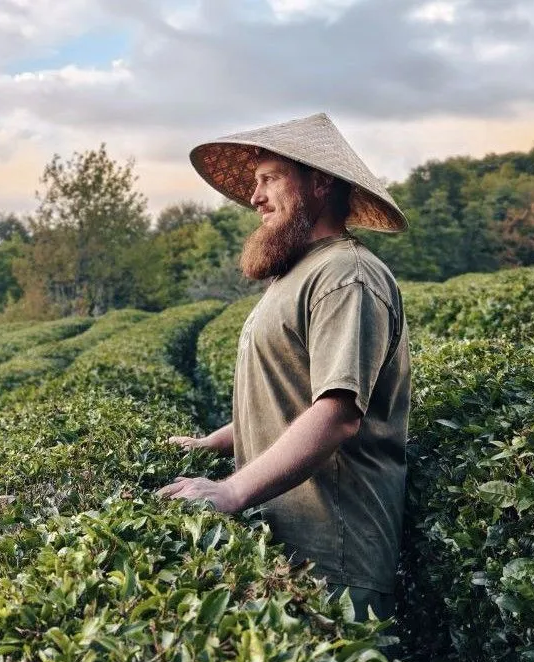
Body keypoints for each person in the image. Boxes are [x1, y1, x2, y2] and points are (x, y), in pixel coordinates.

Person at [157, 113, 411, 622]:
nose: (255, 198)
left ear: (320, 182)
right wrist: (218, 441)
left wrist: (230, 491)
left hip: (336, 560)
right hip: (290, 550)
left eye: (269, 178)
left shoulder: (346, 275)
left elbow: (338, 412)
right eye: (255, 183)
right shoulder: (298, 275)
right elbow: (292, 396)